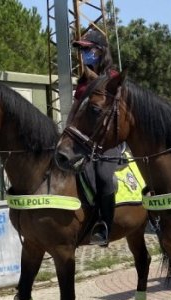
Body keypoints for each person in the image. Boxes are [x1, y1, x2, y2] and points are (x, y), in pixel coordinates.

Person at [72, 26, 117, 247]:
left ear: (101, 50)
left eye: (88, 49)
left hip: (109, 140)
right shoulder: (83, 82)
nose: (84, 54)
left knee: (103, 175)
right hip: (84, 140)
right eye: (81, 50)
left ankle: (105, 225)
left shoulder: (113, 78)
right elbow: (76, 111)